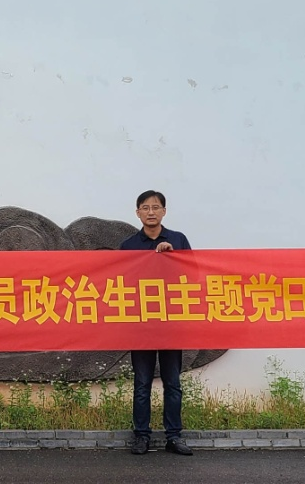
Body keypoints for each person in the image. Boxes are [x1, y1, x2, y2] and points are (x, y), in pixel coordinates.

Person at [118, 190, 192, 456]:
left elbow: (192, 275)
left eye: (156, 207)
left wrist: (172, 258)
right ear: (137, 212)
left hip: (171, 323)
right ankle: (141, 436)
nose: (151, 212)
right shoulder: (128, 246)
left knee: (172, 383)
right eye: (145, 207)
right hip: (141, 325)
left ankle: (174, 436)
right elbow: (121, 280)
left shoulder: (178, 240)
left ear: (164, 211)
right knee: (142, 383)